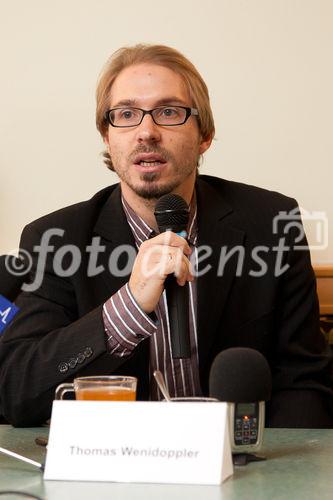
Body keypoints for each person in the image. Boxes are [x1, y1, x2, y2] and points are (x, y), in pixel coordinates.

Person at [0, 44, 332, 427]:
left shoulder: (273, 223)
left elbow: (305, 384)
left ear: (204, 134)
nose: (146, 132)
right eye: (126, 114)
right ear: (108, 137)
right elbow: (17, 391)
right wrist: (129, 306)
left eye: (168, 112)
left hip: (238, 466)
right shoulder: (55, 239)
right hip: (115, 472)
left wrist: (263, 471)